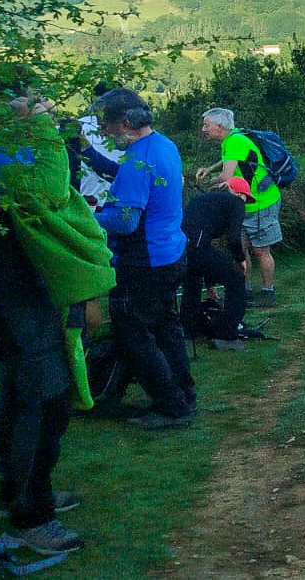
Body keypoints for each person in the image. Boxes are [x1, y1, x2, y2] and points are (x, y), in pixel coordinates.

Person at [0, 91, 116, 555]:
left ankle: (15, 494)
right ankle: (31, 518)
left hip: (11, 294)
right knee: (45, 401)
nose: (46, 109)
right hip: (6, 298)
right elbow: (50, 188)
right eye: (35, 100)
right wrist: (43, 128)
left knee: (21, 395)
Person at [92, 88, 193, 430]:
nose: (103, 130)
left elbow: (125, 221)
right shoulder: (163, 145)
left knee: (133, 335)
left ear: (125, 123)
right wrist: (88, 154)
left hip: (142, 260)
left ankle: (171, 407)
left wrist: (87, 216)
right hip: (170, 252)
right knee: (166, 328)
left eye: (106, 124)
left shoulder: (137, 159)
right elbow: (134, 181)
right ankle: (184, 395)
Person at [197, 108, 282, 307]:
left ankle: (268, 293)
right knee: (241, 249)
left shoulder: (235, 140)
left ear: (219, 126)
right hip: (242, 205)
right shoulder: (231, 139)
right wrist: (210, 169)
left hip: (261, 203)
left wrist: (209, 181)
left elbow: (226, 177)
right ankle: (245, 291)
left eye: (206, 125)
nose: (203, 129)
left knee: (261, 250)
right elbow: (230, 159)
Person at [180, 176, 253, 350]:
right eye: (246, 197)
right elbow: (233, 238)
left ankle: (190, 330)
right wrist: (241, 260)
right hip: (198, 246)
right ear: (239, 193)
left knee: (192, 282)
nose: (245, 202)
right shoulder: (236, 203)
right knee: (236, 280)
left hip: (181, 247)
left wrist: (210, 283)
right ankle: (227, 334)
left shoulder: (207, 199)